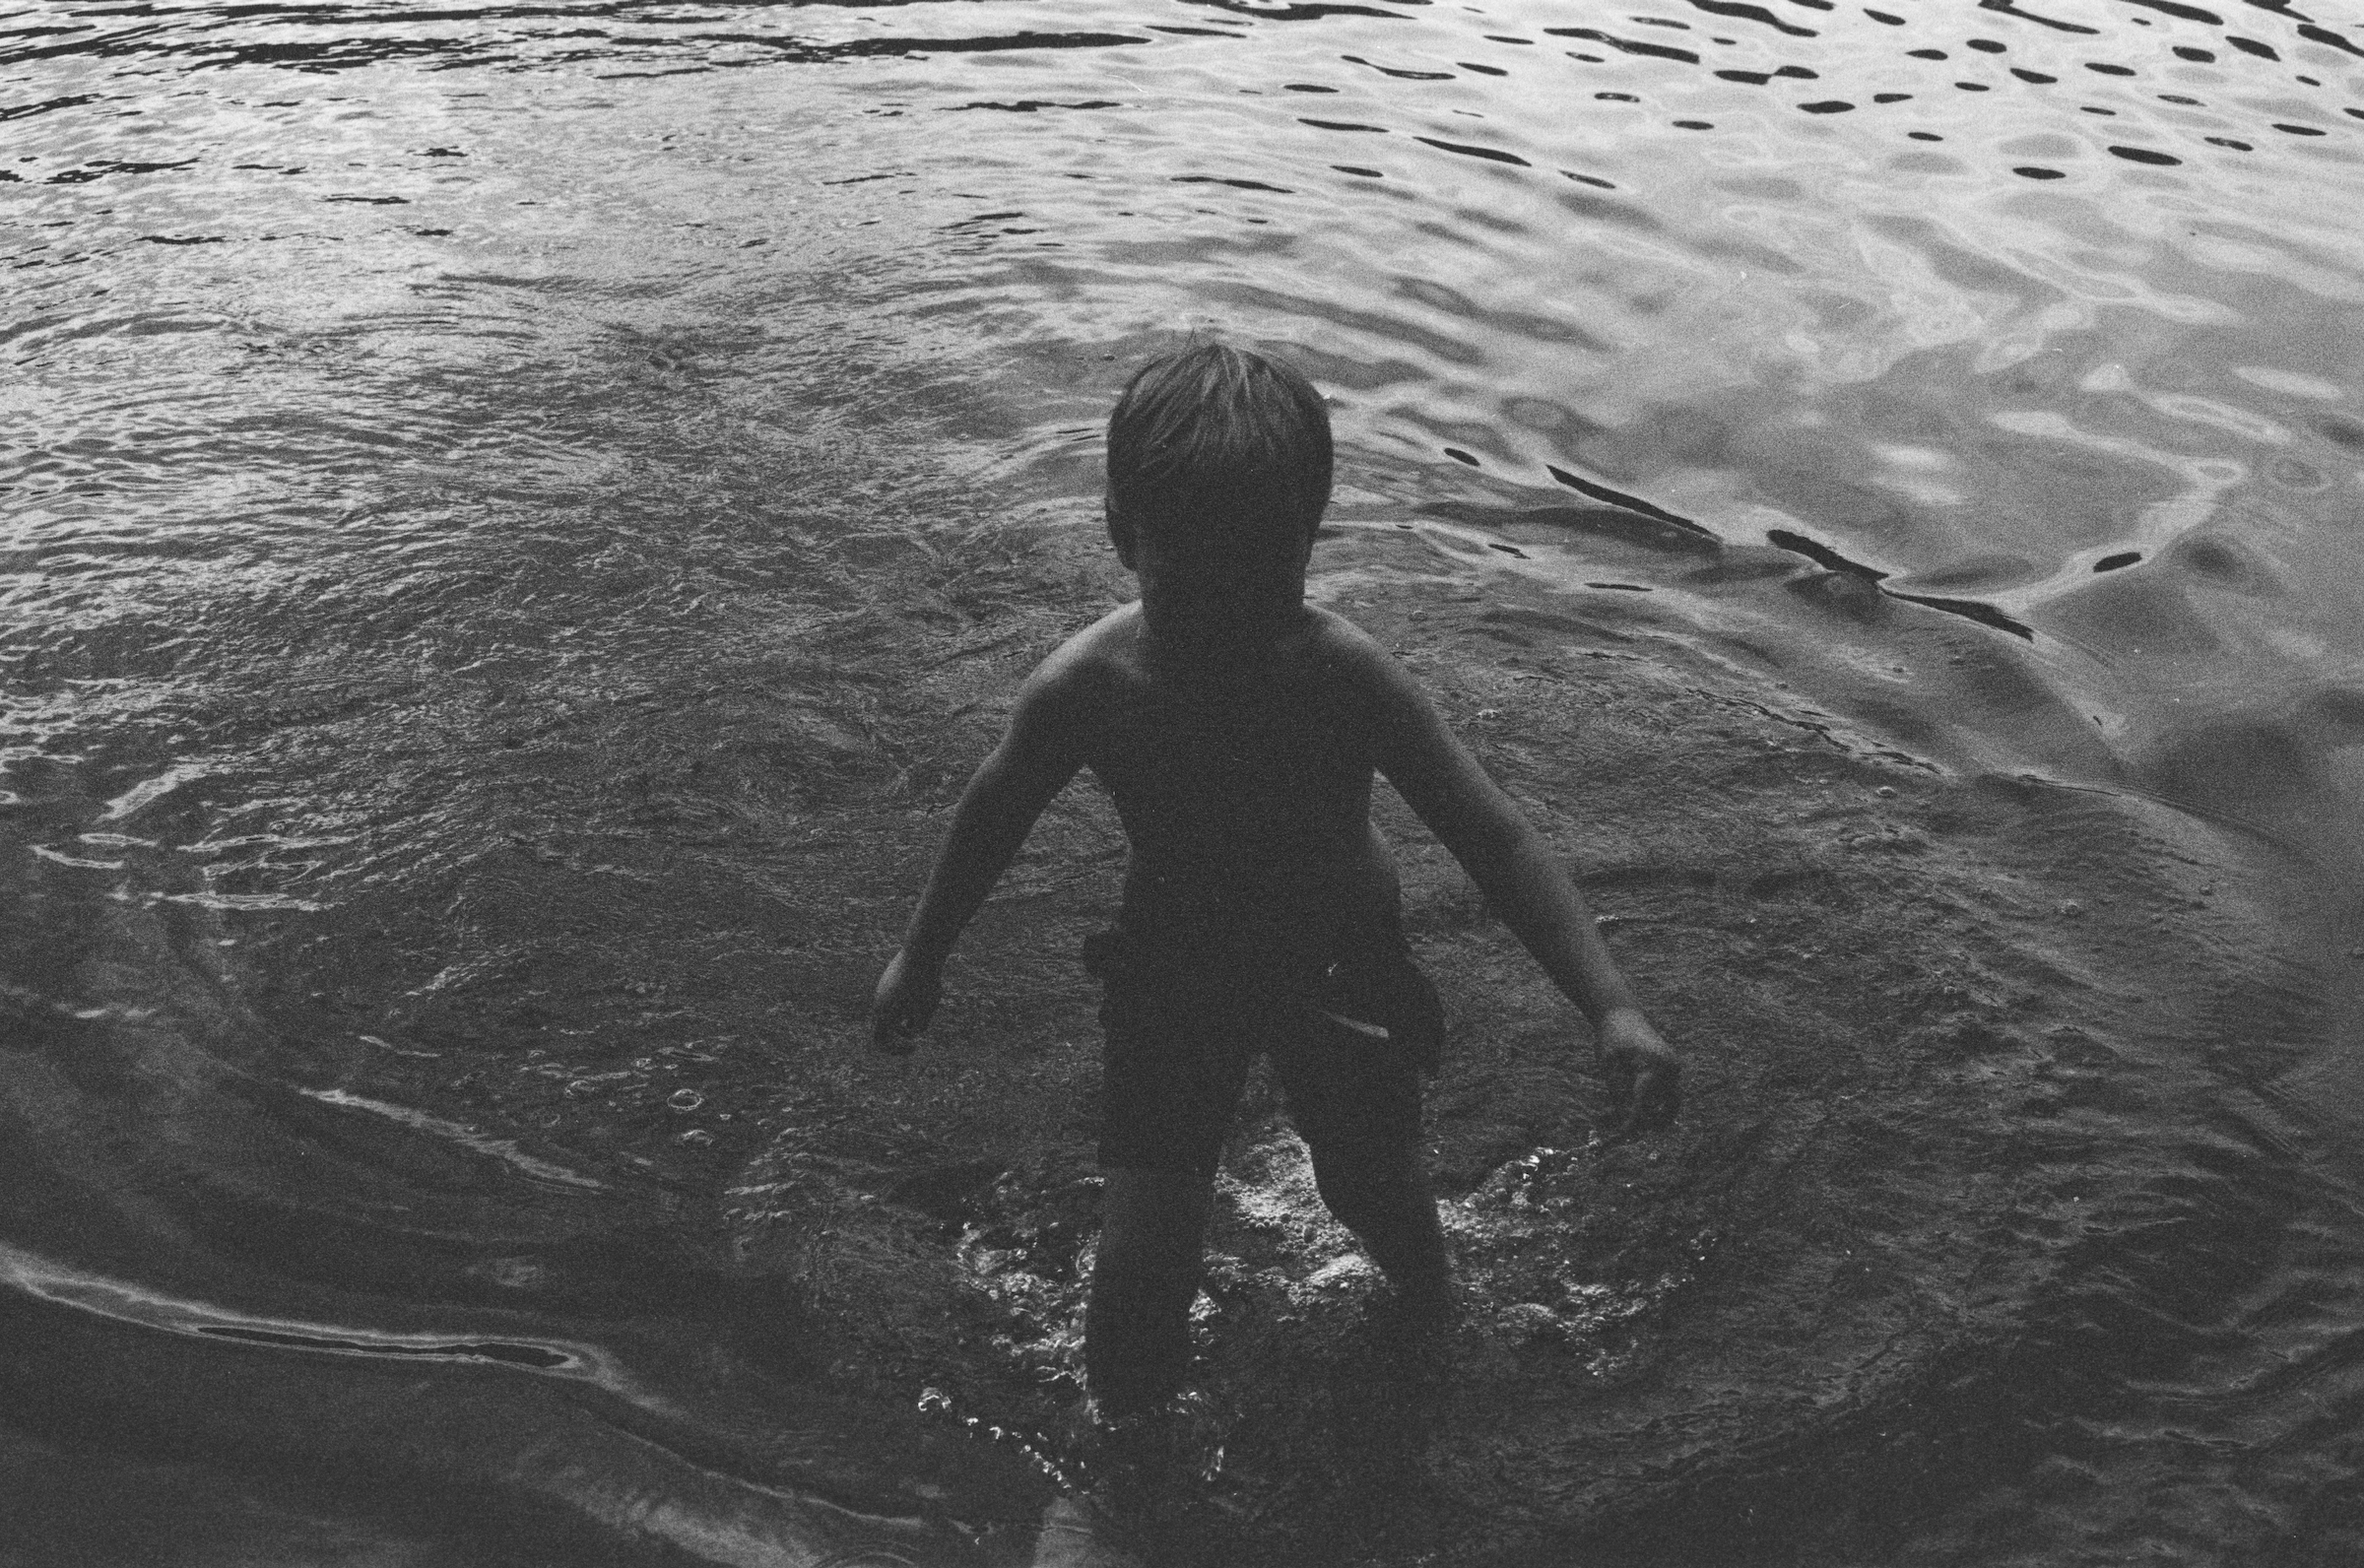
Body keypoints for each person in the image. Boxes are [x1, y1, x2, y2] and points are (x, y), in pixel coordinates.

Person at [869, 342, 1679, 1436]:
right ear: (1123, 535)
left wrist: (1609, 1001)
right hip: (1174, 967)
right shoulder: (1088, 685)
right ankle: (1124, 1470)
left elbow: (1489, 831)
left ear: (1312, 535)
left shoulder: (1343, 672)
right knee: (1144, 1248)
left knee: (1370, 1190)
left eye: (1263, 578)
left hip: (1340, 961)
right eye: (1189, 581)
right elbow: (992, 814)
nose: (1228, 616)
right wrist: (921, 954)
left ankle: (1434, 1322)